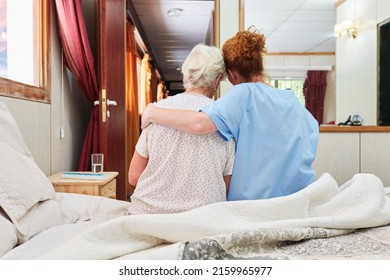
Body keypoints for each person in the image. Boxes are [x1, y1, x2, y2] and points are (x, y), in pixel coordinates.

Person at [141, 28, 319, 201]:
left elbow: (199, 124)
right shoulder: (291, 99)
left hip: (253, 205)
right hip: (298, 198)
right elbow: (310, 136)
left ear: (233, 74)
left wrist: (152, 112)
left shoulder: (244, 93)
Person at [126, 44, 235, 215]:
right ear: (216, 80)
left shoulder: (156, 112)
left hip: (147, 217)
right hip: (201, 220)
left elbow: (134, 177)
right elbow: (226, 185)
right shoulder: (223, 119)